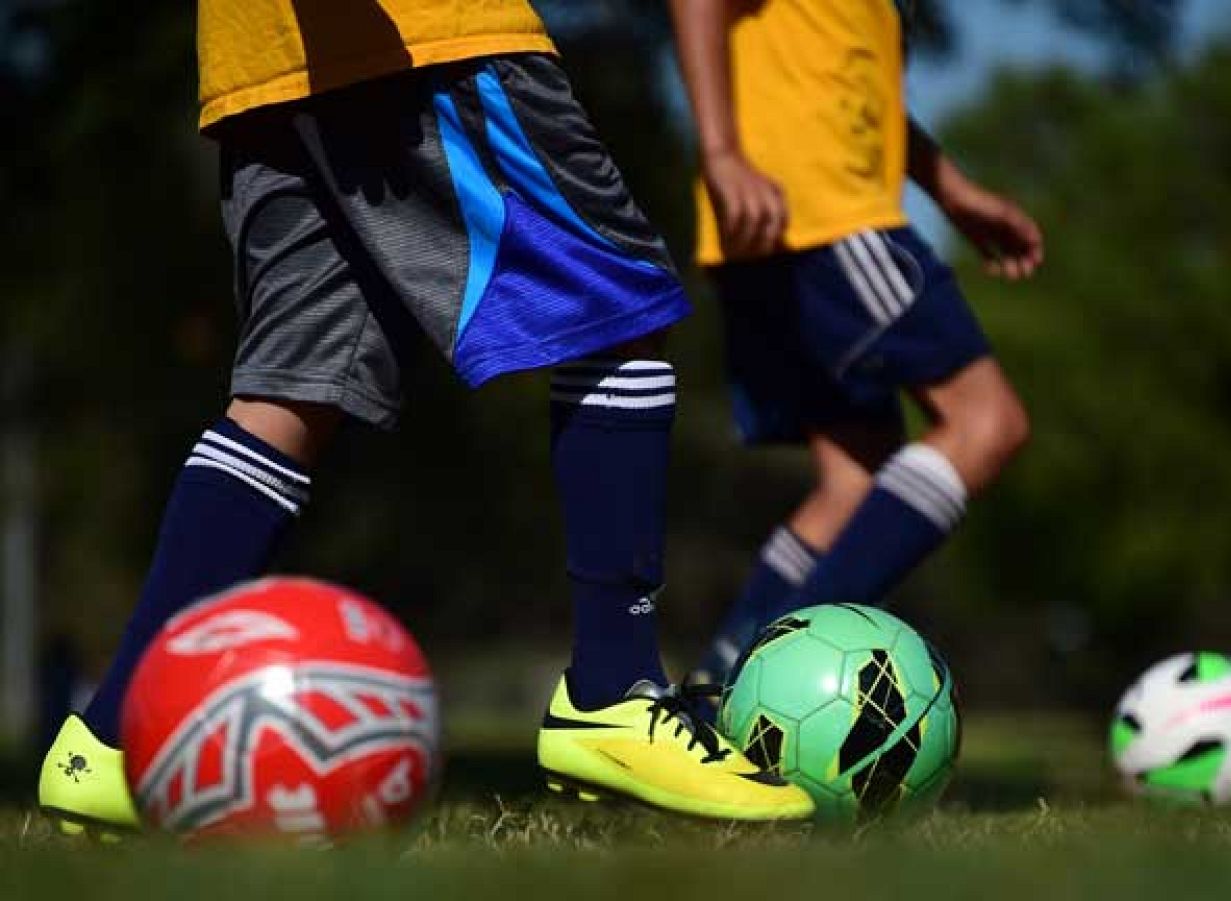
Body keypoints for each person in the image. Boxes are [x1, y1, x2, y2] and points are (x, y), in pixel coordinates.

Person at [37, 1, 814, 833]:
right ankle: (613, 692)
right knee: (614, 310)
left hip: (263, 56)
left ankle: (109, 742)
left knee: (291, 393)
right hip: (420, 33)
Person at [668, 0, 1043, 694]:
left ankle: (708, 700)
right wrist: (720, 151)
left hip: (784, 220)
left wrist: (951, 189)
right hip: (818, 212)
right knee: (985, 421)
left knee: (854, 482)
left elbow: (851, 85)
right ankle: (766, 685)